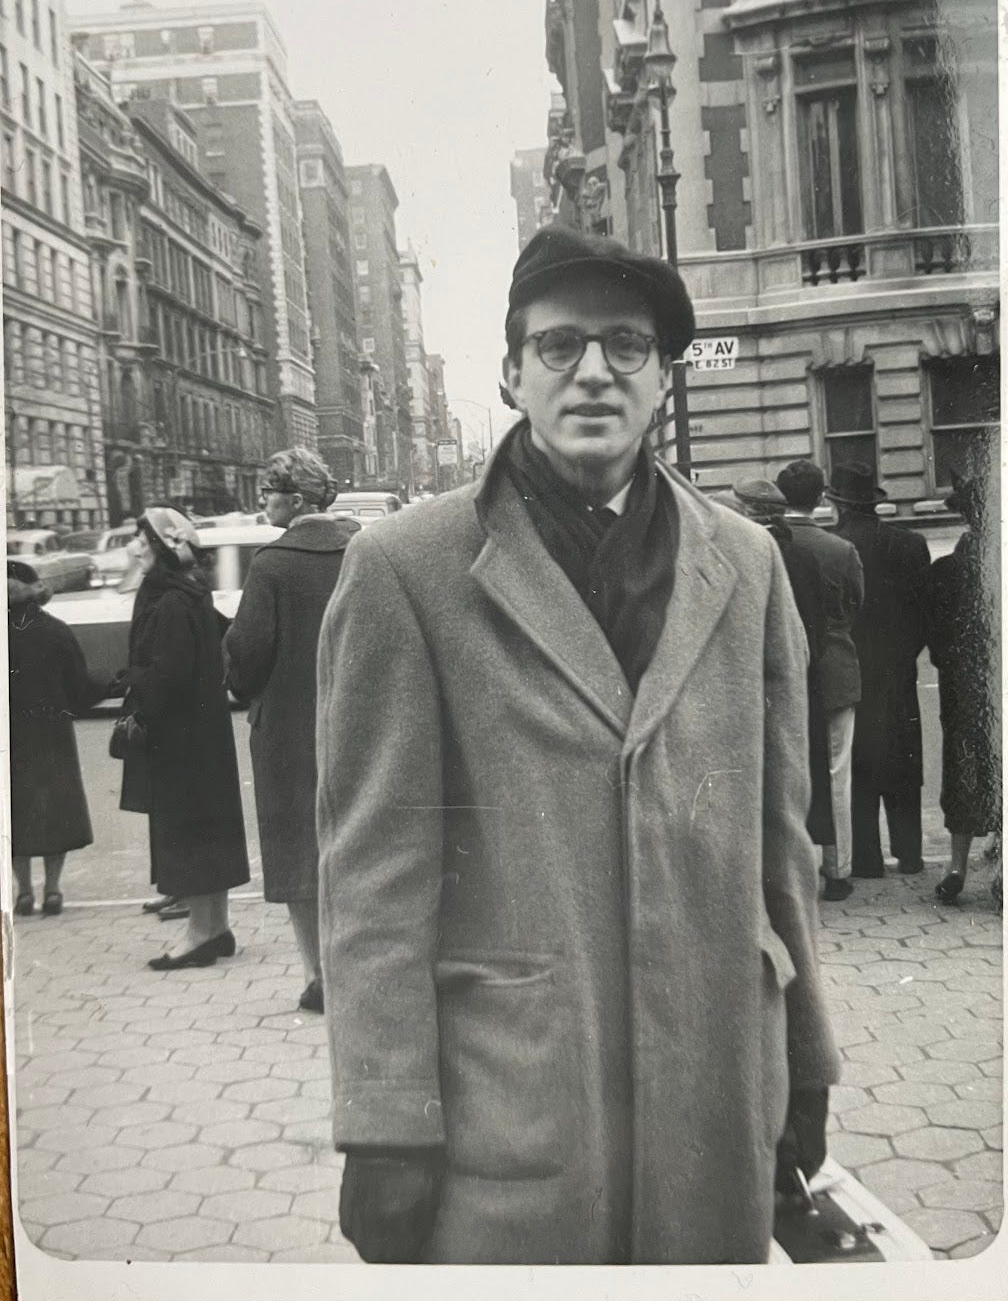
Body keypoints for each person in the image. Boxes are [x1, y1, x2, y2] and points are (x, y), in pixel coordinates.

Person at [316, 226, 840, 1265]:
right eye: (559, 346)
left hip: (718, 1087)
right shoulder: (406, 569)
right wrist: (384, 1120)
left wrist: (808, 1058)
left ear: (664, 380)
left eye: (626, 346)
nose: (593, 370)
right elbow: (373, 874)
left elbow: (784, 839)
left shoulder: (747, 563)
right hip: (521, 1108)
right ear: (512, 374)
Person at [224, 447, 360, 1013]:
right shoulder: (363, 549)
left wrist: (239, 678)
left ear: (296, 500)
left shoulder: (271, 564)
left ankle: (321, 977)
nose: (263, 502)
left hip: (287, 730)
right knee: (357, 843)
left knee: (299, 851)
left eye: (268, 492)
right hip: (360, 719)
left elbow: (247, 655)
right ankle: (364, 968)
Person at [120, 506, 250, 969]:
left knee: (188, 832)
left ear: (160, 547)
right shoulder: (189, 594)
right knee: (209, 830)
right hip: (203, 735)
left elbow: (169, 677)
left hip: (180, 741)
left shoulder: (168, 601)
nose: (134, 547)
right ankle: (216, 926)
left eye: (141, 539)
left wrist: (131, 683)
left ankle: (198, 936)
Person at [730, 478, 836, 895]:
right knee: (803, 772)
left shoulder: (742, 554)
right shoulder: (804, 557)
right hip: (800, 681)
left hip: (750, 685)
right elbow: (820, 625)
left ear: (752, 512)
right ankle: (813, 873)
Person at [826, 463, 929, 879]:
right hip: (898, 668)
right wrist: (906, 653)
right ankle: (910, 854)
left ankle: (867, 859)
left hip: (854, 669)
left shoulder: (837, 546)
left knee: (861, 763)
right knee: (904, 760)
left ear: (839, 505)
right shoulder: (911, 544)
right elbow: (924, 613)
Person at [776, 460, 864, 902]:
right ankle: (837, 870)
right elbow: (855, 605)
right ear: (820, 498)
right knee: (836, 771)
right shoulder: (839, 548)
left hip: (786, 672)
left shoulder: (768, 545)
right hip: (833, 665)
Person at [8, 559, 106, 916]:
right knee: (55, 811)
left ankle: (22, 892)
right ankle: (52, 890)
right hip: (51, 735)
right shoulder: (56, 630)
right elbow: (79, 687)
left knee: (13, 813)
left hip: (8, 738)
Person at [927, 472, 1002, 907]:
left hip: (964, 690)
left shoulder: (947, 570)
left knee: (963, 769)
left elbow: (935, 640)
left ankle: (957, 866)